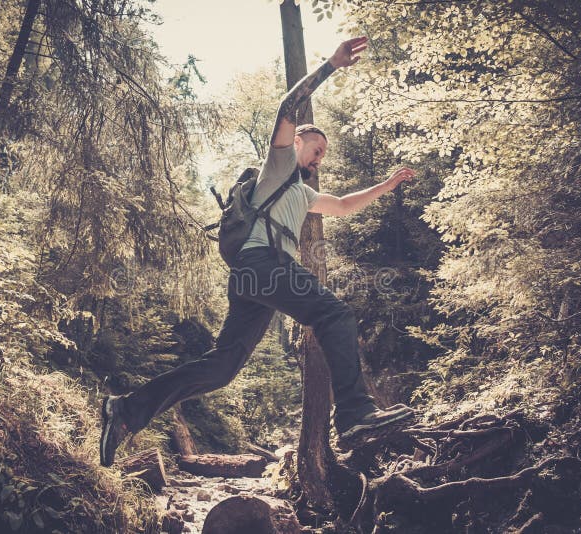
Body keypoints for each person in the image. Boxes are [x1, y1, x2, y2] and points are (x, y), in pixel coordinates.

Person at [100, 36, 416, 467]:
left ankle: (126, 410)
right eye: (317, 149)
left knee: (223, 367)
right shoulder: (279, 165)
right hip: (264, 263)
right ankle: (356, 414)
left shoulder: (301, 193)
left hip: (253, 276)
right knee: (334, 314)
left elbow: (343, 205)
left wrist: (389, 184)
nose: (320, 158)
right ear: (299, 141)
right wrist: (330, 65)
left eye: (324, 154)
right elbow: (288, 104)